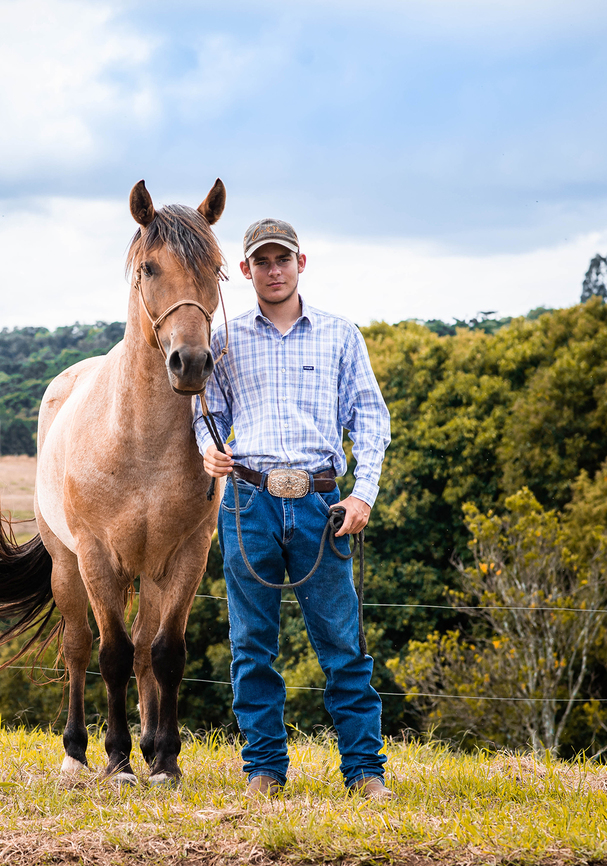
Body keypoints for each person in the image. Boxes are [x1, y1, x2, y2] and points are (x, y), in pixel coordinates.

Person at [194, 217, 394, 800]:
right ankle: (263, 770)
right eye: (262, 261)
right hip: (247, 503)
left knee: (342, 642)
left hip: (321, 503)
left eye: (283, 259)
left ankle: (364, 772)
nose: (273, 269)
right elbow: (206, 412)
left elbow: (372, 421)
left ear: (301, 263)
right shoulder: (224, 338)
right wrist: (210, 450)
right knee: (252, 643)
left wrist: (363, 494)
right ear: (245, 270)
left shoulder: (339, 334)